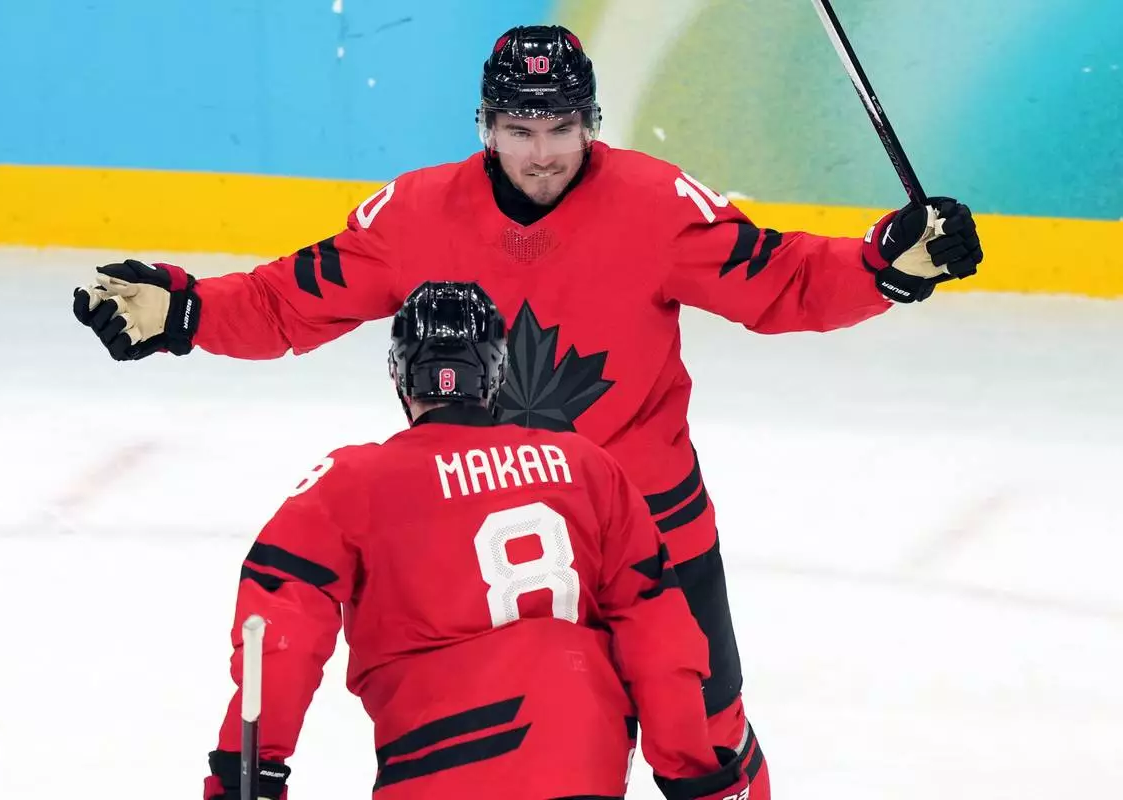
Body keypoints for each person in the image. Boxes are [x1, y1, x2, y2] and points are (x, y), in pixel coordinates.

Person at [76, 25, 983, 799]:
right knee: (509, 757)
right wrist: (189, 310)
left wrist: (885, 264)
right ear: (486, 127)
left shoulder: (657, 206)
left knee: (710, 743)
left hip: (654, 538)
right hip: (477, 536)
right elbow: (291, 299)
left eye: (561, 128)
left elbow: (779, 281)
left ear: (592, 123)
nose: (542, 152)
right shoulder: (417, 215)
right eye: (520, 129)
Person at [204, 281, 746, 800]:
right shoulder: (586, 468)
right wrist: (692, 769)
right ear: (496, 373)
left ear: (400, 374)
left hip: (433, 766)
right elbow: (660, 637)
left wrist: (249, 773)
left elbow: (279, 639)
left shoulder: (350, 482)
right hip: (583, 766)